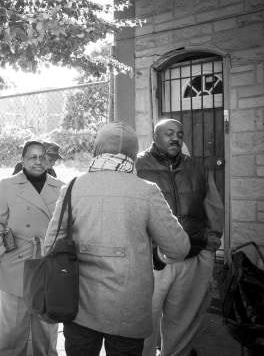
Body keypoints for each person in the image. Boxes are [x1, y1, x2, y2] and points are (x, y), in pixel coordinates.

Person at [44, 121, 190, 356]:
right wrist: (158, 256)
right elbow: (179, 248)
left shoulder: (72, 187)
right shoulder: (147, 190)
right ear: (133, 153)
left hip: (78, 304)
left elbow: (50, 245)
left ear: (97, 149)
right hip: (129, 309)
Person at [137, 119, 224, 356]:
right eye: (168, 133)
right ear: (155, 137)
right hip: (152, 264)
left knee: (182, 324)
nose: (175, 138)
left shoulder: (197, 168)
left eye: (179, 134)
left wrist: (209, 245)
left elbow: (213, 207)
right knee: (144, 326)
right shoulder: (136, 166)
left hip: (192, 260)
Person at [0, 140, 65, 356]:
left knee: (46, 328)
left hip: (47, 262)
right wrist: (0, 251)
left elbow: (68, 225)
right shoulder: (7, 185)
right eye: (32, 157)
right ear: (22, 161)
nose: (38, 161)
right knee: (13, 328)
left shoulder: (61, 187)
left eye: (42, 157)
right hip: (16, 262)